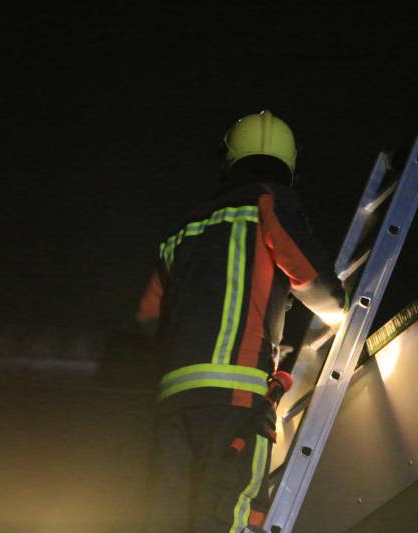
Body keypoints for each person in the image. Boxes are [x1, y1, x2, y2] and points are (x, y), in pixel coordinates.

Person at [137, 110, 347, 532]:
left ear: (228, 158)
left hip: (174, 401)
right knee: (225, 515)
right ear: (289, 162)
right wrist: (339, 308)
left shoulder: (183, 229)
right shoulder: (268, 201)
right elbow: (308, 275)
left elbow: (147, 318)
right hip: (234, 400)